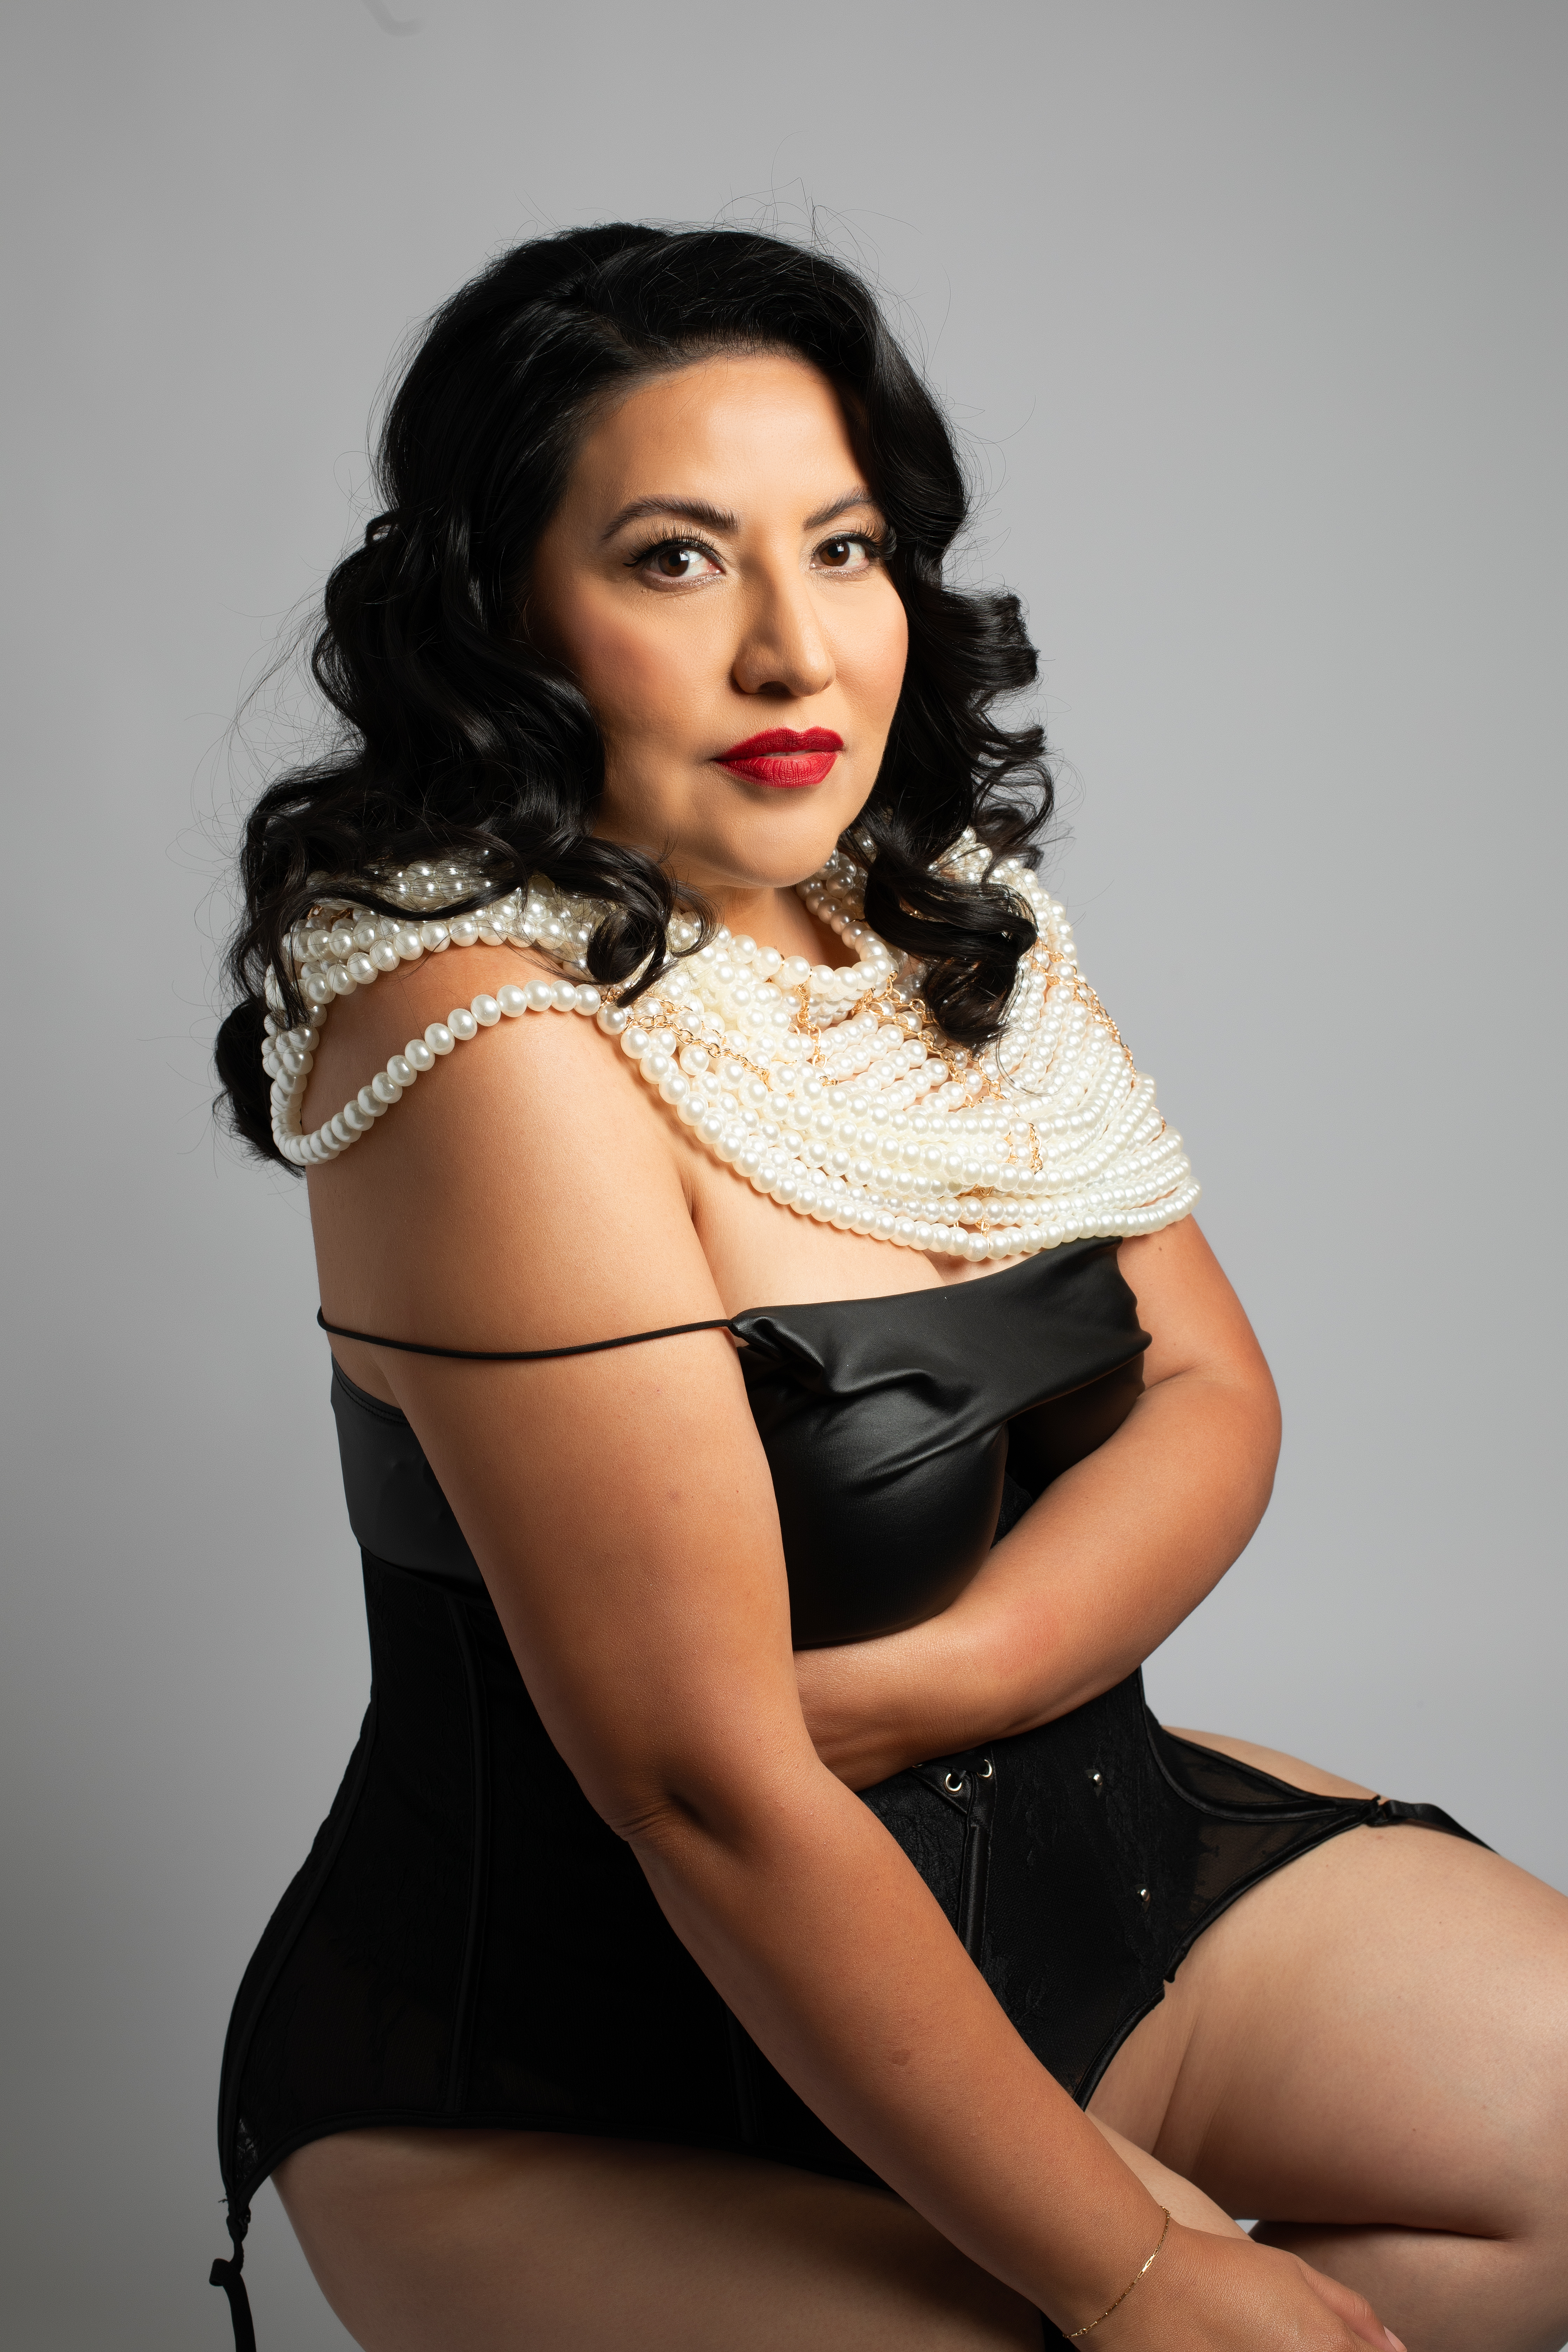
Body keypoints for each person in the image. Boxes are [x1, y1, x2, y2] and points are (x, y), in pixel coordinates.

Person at [210, 225, 1568, 2352]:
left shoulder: (927, 925)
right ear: (499, 613)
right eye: (676, 560)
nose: (795, 652)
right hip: (616, 2054)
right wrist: (1140, 2268)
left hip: (1062, 1884)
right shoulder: (476, 1036)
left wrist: (927, 1689)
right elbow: (698, 1790)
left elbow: (1212, 1394)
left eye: (841, 551)